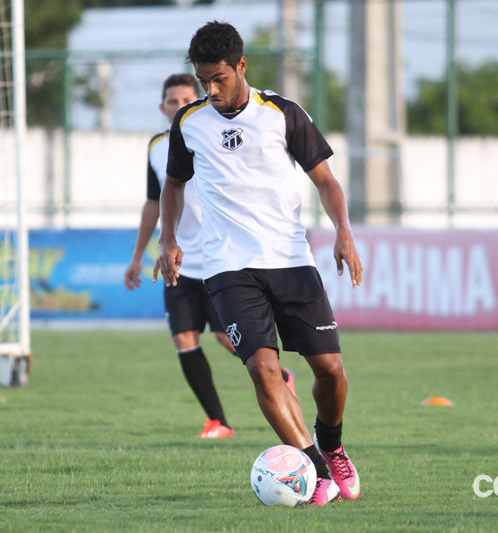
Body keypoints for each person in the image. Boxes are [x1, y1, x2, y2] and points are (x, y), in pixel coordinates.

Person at [154, 22, 364, 505]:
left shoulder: (282, 114)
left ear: (241, 66)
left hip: (290, 260)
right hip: (228, 268)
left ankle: (331, 445)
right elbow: (173, 185)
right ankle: (315, 471)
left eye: (220, 78)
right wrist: (168, 239)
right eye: (204, 80)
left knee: (330, 370)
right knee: (262, 368)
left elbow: (327, 181)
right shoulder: (189, 122)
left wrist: (344, 231)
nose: (212, 90)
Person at [125, 73, 296, 439]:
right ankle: (219, 421)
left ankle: (280, 378)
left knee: (226, 339)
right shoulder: (158, 146)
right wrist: (138, 255)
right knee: (184, 339)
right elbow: (155, 202)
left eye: (187, 98)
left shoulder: (214, 132)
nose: (180, 106)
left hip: (222, 261)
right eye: (173, 102)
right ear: (162, 107)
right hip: (179, 262)